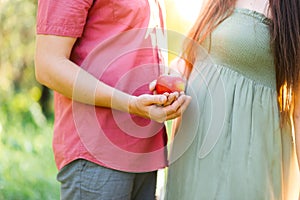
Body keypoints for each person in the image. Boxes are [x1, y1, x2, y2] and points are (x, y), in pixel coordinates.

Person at [34, 0, 191, 199]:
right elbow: (48, 64)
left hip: (147, 152)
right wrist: (129, 104)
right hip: (97, 153)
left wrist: (167, 84)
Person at [165, 0, 300, 199]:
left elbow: (298, 112)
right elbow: (187, 60)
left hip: (246, 153)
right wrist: (169, 78)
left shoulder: (291, 10)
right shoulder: (215, 3)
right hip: (195, 145)